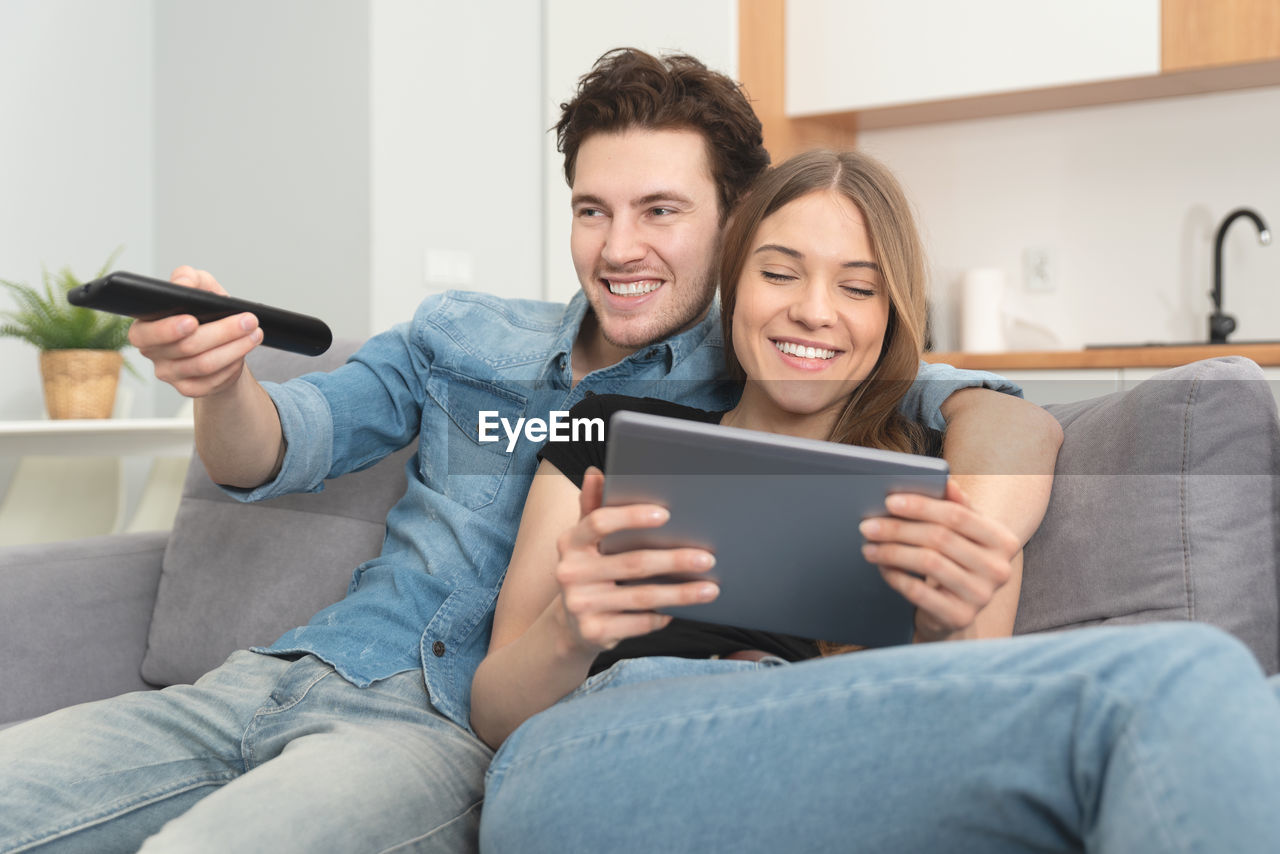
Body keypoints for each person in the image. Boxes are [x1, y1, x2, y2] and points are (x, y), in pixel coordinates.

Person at [0, 50, 1059, 853]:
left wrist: (969, 538)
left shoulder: (763, 373)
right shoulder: (464, 334)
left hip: (437, 734)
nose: (616, 246)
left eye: (659, 210)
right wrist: (222, 382)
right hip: (283, 673)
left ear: (733, 223)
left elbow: (992, 409)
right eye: (591, 209)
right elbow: (273, 448)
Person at [472, 149, 1280, 853]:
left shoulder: (932, 476)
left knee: (1210, 684)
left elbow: (960, 718)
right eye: (780, 272)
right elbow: (494, 712)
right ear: (735, 284)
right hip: (595, 747)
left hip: (834, 751)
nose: (814, 310)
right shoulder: (616, 429)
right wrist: (568, 632)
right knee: (1190, 676)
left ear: (890, 315)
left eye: (856, 288)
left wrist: (947, 625)